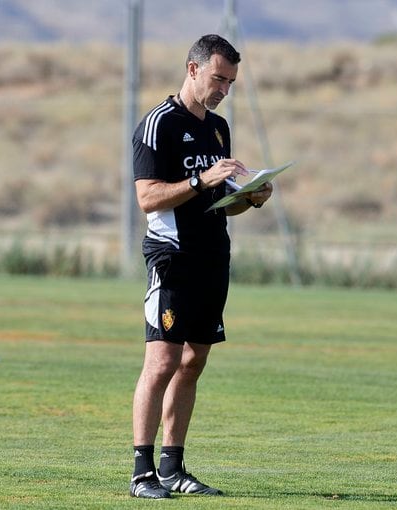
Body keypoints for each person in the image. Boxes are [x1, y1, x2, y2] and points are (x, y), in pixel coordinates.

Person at [129, 34, 273, 499]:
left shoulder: (218, 128)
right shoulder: (157, 126)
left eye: (230, 83)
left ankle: (173, 468)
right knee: (162, 360)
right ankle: (142, 473)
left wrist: (248, 199)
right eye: (218, 79)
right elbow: (147, 197)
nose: (223, 91)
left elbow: (215, 203)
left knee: (194, 359)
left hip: (212, 256)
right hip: (172, 256)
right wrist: (199, 177)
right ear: (193, 70)